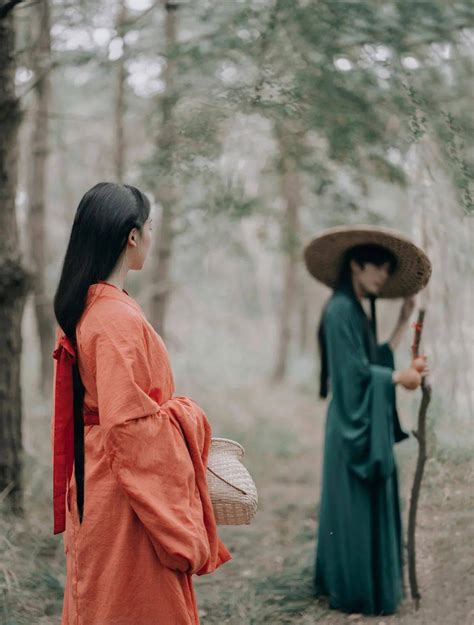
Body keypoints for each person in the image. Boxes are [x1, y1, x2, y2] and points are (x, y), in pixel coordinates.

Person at [51, 182, 231, 625]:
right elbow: (129, 427)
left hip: (105, 476)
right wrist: (188, 416)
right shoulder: (112, 318)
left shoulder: (100, 307)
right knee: (133, 605)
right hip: (123, 493)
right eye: (148, 226)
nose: (150, 235)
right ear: (132, 235)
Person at [303, 225, 432, 616]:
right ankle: (355, 589)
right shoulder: (341, 309)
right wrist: (398, 378)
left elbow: (370, 360)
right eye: (378, 269)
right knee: (352, 509)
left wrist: (400, 325)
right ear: (357, 265)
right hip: (349, 425)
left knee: (358, 507)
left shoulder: (353, 307)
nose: (383, 278)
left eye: (387, 273)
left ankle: (361, 581)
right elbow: (352, 376)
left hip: (353, 421)